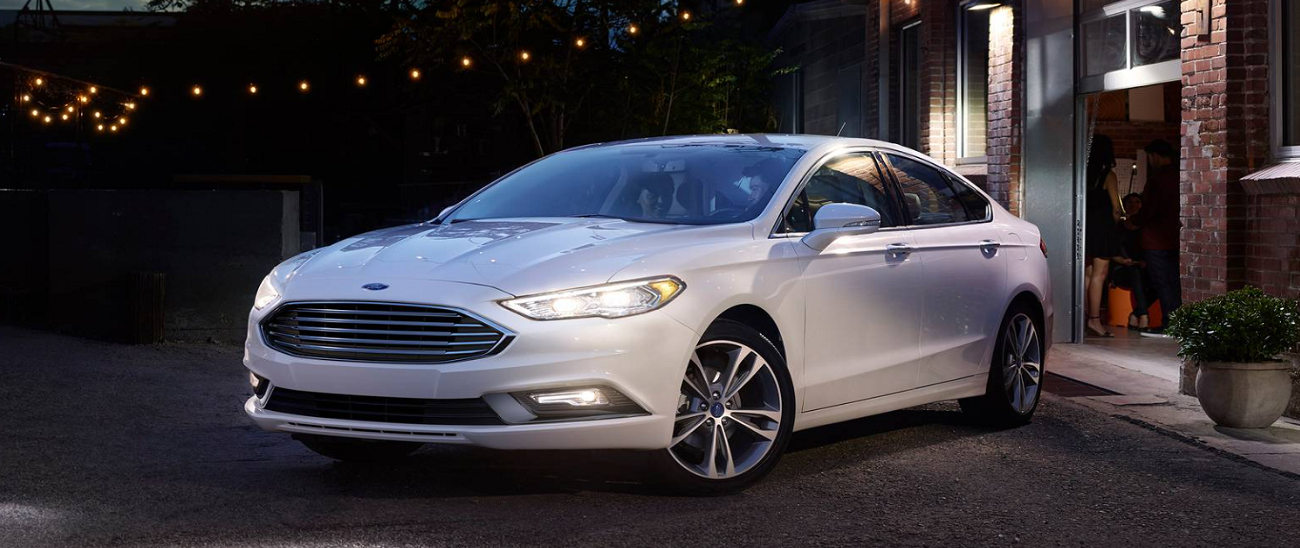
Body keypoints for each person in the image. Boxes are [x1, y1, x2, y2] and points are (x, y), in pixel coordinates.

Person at [1126, 139, 1182, 337]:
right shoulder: (1179, 175)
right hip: (1174, 236)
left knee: (1161, 282)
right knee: (1175, 281)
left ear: (1154, 156)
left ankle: (1169, 323)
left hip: (1156, 239)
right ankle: (1177, 322)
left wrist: (1134, 221)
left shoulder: (1157, 179)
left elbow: (1149, 208)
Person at [1084, 134, 1123, 338]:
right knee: (1100, 275)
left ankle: (1083, 317)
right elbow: (1117, 208)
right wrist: (1115, 225)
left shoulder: (1082, 173)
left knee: (1087, 275)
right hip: (1102, 229)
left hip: (1085, 228)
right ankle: (1095, 320)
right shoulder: (1108, 175)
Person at [1111, 193, 1151, 331]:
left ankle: (1135, 314)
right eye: (1130, 202)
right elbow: (1111, 251)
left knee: (1161, 283)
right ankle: (1144, 316)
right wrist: (1123, 261)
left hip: (1143, 268)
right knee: (1135, 272)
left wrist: (1144, 261)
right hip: (1122, 269)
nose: (1134, 205)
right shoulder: (1118, 226)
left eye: (1137, 202)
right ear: (1125, 206)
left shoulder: (1146, 227)